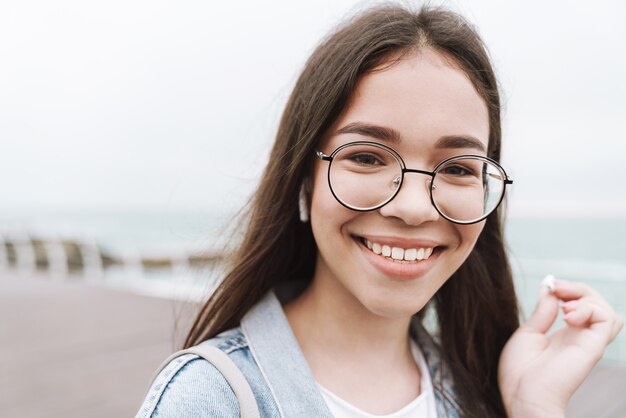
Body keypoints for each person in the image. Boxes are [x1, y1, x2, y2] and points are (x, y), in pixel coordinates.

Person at [136, 4, 623, 418]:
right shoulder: (209, 399)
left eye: (457, 167)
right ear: (303, 179)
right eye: (366, 157)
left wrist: (531, 405)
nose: (412, 208)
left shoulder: (476, 395)